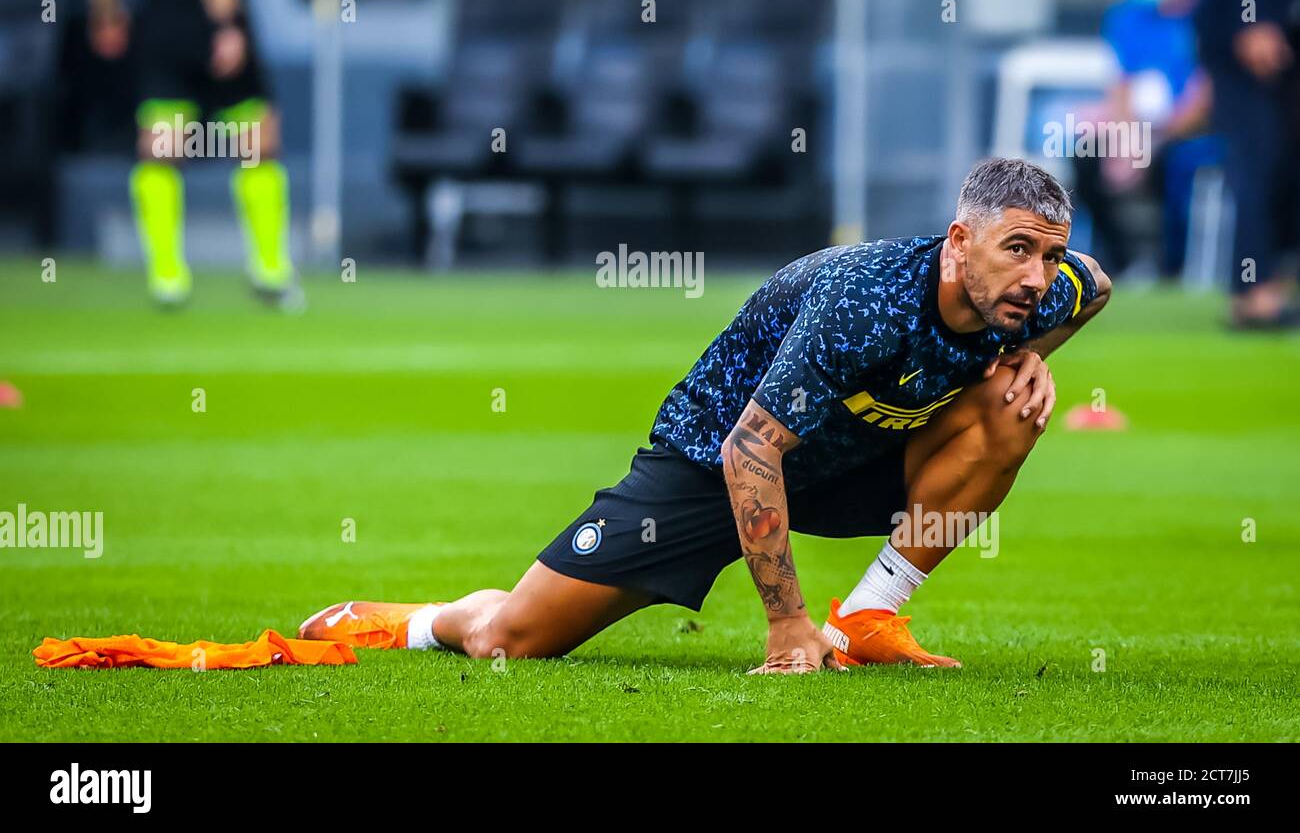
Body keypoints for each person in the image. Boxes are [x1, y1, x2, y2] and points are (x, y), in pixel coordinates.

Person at [298, 159, 1111, 674]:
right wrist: (788, 626)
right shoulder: (863, 300)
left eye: (1049, 253)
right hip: (713, 462)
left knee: (1012, 407)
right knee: (513, 641)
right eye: (1017, 250)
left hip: (843, 458)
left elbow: (1098, 284)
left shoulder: (1043, 288)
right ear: (957, 241)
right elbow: (749, 452)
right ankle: (424, 620)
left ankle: (868, 615)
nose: (1038, 276)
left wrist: (1027, 355)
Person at [87, 0, 298, 308]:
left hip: (159, 27)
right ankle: (269, 270)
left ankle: (167, 277)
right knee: (257, 141)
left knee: (160, 150)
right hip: (213, 23)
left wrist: (106, 14)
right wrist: (225, 24)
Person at [1195, 0, 1300, 328]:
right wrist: (1253, 20)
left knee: (1283, 161)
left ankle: (1271, 283)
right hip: (1247, 37)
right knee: (1258, 157)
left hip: (1284, 35)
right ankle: (1254, 295)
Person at [1074, 0, 1220, 280]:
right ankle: (1119, 261)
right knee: (1084, 152)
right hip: (1136, 127)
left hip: (1193, 131)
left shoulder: (1208, 17)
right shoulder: (1125, 18)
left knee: (1178, 164)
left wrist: (1158, 138)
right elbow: (1120, 84)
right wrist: (1128, 138)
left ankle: (1173, 266)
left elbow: (1206, 96)